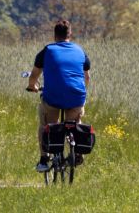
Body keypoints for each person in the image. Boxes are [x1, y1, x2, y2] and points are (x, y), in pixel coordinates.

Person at [25, 19, 91, 172]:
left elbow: (34, 76)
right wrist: (81, 93)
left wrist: (32, 86)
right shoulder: (80, 51)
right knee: (74, 122)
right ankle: (77, 151)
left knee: (46, 126)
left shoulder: (47, 51)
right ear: (70, 34)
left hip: (53, 97)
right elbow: (87, 78)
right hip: (76, 96)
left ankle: (43, 159)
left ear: (54, 36)